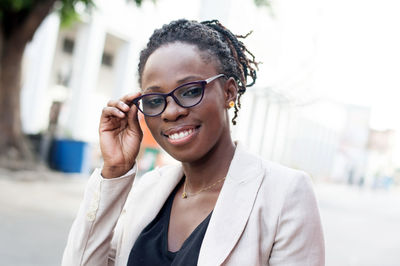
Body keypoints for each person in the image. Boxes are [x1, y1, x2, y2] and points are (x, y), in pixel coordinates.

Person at [62, 19, 325, 266]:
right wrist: (115, 171)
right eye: (154, 100)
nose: (171, 111)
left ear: (228, 92)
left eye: (190, 91)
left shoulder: (283, 194)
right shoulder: (148, 190)